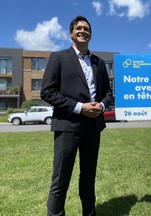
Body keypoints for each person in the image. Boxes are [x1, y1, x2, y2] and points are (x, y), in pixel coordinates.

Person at [41, 16, 112, 216]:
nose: (83, 31)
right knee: (61, 179)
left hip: (93, 127)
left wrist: (101, 104)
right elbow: (47, 92)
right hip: (67, 126)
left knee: (88, 178)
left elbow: (108, 93)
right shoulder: (58, 57)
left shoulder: (99, 62)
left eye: (87, 29)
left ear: (91, 34)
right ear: (71, 33)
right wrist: (81, 107)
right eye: (79, 28)